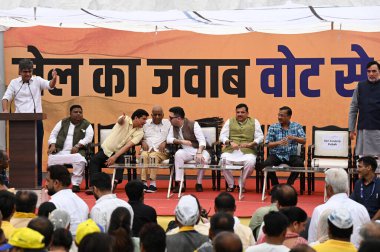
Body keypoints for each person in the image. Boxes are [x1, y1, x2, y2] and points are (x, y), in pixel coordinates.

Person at [2, 58, 58, 186]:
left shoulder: (37, 80)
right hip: (19, 123)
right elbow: (6, 97)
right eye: (24, 72)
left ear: (32, 71)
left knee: (36, 152)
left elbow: (50, 85)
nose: (27, 74)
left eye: (29, 71)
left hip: (36, 122)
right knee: (19, 153)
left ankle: (37, 182)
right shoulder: (14, 83)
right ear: (19, 72)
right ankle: (18, 181)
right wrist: (5, 109)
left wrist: (54, 78)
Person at [86, 109, 148, 194]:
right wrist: (121, 119)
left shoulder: (140, 132)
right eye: (143, 119)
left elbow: (127, 146)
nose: (145, 122)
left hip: (120, 153)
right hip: (106, 150)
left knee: (121, 160)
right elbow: (120, 121)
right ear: (136, 118)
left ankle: (114, 183)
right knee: (94, 160)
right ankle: (94, 186)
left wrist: (114, 157)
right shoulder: (125, 119)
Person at [308, 168, 370, 248]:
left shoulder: (320, 210)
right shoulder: (361, 209)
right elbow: (369, 241)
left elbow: (311, 243)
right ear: (347, 187)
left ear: (329, 189)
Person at [47, 104, 94, 193]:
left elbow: (88, 138)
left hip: (77, 151)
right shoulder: (62, 122)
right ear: (70, 113)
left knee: (80, 160)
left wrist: (78, 145)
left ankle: (76, 184)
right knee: (51, 158)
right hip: (60, 150)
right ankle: (53, 182)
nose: (78, 114)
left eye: (80, 112)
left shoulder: (86, 124)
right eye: (75, 112)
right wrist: (53, 145)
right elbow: (53, 134)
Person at [219, 103, 264, 192]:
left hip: (248, 150)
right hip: (231, 150)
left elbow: (260, 137)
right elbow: (222, 137)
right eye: (238, 112)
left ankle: (241, 183)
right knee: (222, 162)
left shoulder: (254, 122)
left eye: (242, 112)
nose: (239, 114)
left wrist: (252, 143)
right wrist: (230, 142)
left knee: (251, 162)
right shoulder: (229, 121)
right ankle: (231, 184)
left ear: (247, 113)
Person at [166, 106, 210, 192]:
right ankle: (180, 184)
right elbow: (168, 139)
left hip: (198, 149)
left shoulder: (193, 124)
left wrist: (199, 152)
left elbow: (202, 141)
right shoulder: (173, 126)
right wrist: (182, 141)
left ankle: (199, 183)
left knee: (204, 159)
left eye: (171, 117)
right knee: (178, 154)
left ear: (178, 118)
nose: (169, 119)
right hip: (186, 151)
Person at [261, 106, 306, 186]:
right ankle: (275, 185)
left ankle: (288, 185)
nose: (279, 117)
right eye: (279, 115)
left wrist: (293, 138)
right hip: (276, 155)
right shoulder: (273, 127)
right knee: (266, 164)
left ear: (289, 116)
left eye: (282, 115)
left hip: (291, 154)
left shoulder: (297, 126)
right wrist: (279, 142)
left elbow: (304, 140)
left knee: (300, 164)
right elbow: (267, 144)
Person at [46, 165, 89, 236]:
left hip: (64, 244)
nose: (45, 184)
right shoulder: (82, 202)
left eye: (47, 181)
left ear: (56, 183)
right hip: (83, 243)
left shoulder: (53, 203)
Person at [349, 61, 380, 157]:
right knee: (364, 160)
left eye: (374, 71)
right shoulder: (360, 86)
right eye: (369, 71)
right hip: (363, 130)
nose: (371, 74)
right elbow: (353, 108)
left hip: (378, 130)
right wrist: (351, 128)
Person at [141, 105, 171, 192]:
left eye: (159, 114)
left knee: (153, 156)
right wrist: (142, 141)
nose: (157, 117)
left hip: (161, 152)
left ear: (163, 115)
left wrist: (165, 142)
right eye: (155, 114)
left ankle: (153, 184)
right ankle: (144, 183)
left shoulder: (168, 123)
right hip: (147, 150)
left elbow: (174, 135)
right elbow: (138, 135)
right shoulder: (145, 124)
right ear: (151, 115)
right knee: (143, 155)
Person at [350, 156, 380, 220]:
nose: (358, 169)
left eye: (360, 167)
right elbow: (351, 202)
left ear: (369, 167)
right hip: (359, 221)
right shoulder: (358, 183)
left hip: (376, 224)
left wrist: (371, 222)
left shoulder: (379, 183)